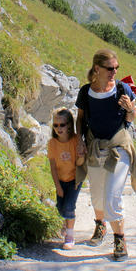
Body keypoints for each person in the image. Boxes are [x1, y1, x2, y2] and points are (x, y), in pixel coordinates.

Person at [75, 49, 136, 262]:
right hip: (95, 146)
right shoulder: (86, 92)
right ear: (97, 68)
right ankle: (100, 225)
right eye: (110, 68)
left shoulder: (123, 89)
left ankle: (120, 240)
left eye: (116, 68)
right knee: (96, 195)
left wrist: (130, 108)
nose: (114, 72)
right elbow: (80, 118)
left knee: (112, 196)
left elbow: (131, 118)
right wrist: (79, 140)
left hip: (118, 148)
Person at [47, 107, 85, 250]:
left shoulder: (76, 140)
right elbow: (52, 166)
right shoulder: (52, 143)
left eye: (62, 125)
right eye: (56, 125)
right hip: (61, 180)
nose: (59, 128)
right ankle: (66, 222)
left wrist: (81, 156)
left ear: (69, 124)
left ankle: (69, 236)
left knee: (69, 207)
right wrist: (57, 186)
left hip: (75, 179)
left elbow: (80, 164)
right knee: (60, 208)